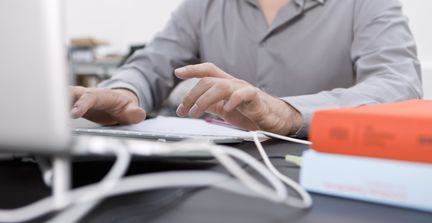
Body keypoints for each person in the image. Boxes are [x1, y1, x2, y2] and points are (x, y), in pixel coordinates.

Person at [70, 0, 423, 137]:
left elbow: (399, 84)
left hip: (321, 178)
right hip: (217, 175)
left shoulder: (367, 4)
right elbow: (152, 63)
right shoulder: (203, 7)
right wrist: (123, 93)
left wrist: (287, 113)